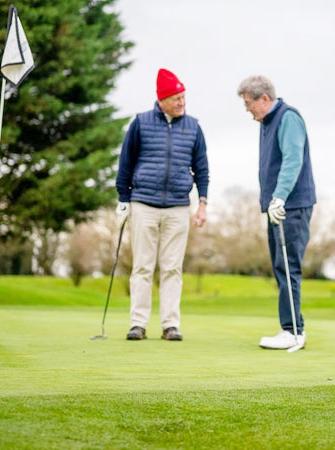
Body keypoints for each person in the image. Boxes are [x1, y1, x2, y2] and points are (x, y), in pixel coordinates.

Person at [115, 68, 209, 342]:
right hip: (144, 204)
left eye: (183, 97)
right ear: (162, 99)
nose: (182, 102)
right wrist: (123, 199)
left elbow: (202, 168)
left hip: (179, 206)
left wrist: (202, 202)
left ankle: (170, 325)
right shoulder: (141, 123)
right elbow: (126, 163)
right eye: (176, 98)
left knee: (172, 268)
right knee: (143, 266)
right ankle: (138, 324)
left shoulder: (193, 127)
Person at [237, 75, 316, 350]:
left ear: (265, 99)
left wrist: (280, 197)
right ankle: (289, 328)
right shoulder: (267, 122)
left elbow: (293, 159)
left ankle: (294, 331)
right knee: (280, 267)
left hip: (291, 205)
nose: (248, 110)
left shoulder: (287, 118)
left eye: (249, 104)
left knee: (288, 266)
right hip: (278, 206)